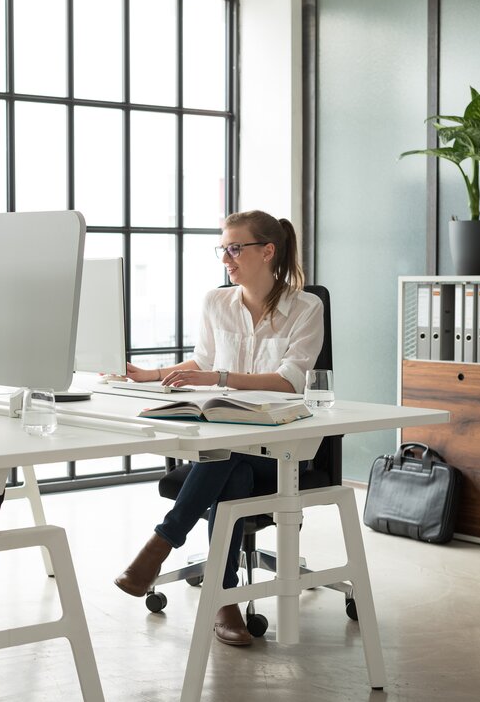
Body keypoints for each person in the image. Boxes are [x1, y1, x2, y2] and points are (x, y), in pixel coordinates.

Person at [113, 210, 324, 646]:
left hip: (280, 453)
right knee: (233, 470)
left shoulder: (306, 307)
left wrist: (220, 379)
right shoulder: (216, 301)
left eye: (235, 248)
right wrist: (150, 375)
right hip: (228, 451)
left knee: (235, 464)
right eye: (223, 248)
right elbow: (202, 364)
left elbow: (290, 380)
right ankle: (222, 598)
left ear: (267, 251)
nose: (226, 258)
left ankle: (162, 543)